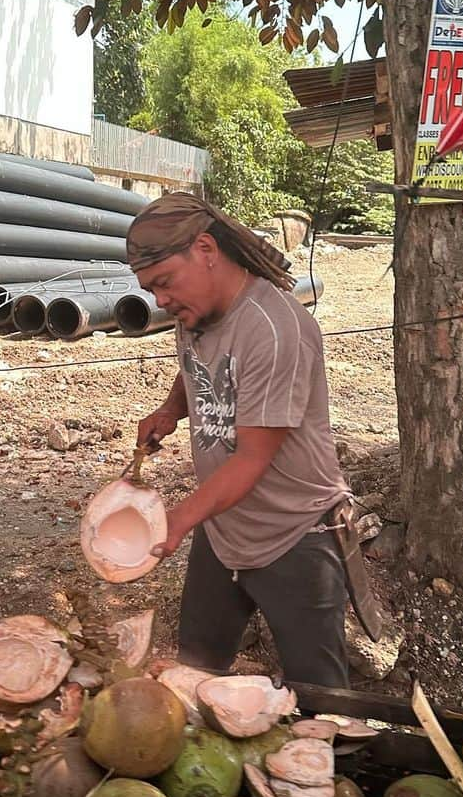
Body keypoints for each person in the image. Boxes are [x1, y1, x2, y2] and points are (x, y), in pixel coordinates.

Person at [130, 192, 353, 687]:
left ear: (206, 250)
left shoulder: (275, 330)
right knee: (196, 672)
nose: (161, 300)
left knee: (320, 697)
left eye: (164, 283)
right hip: (225, 524)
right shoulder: (198, 309)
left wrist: (178, 520)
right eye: (151, 289)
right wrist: (171, 409)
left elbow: (253, 458)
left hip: (293, 533)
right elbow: (200, 368)